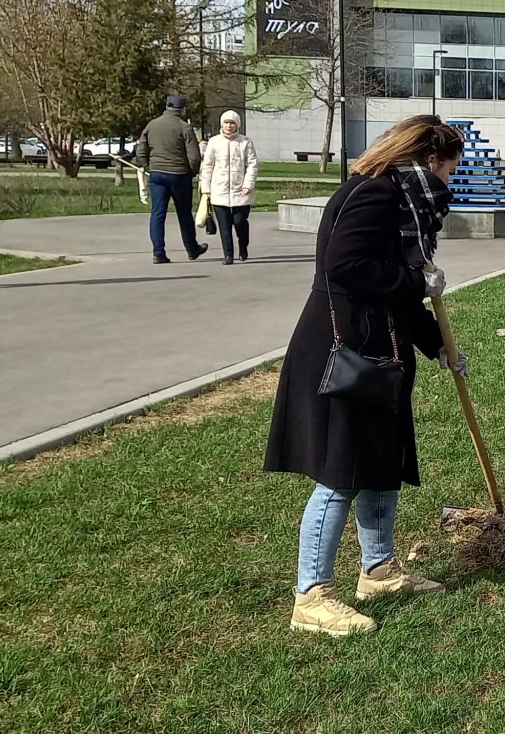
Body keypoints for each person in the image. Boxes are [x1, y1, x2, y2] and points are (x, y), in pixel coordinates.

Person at [265, 114, 466, 636]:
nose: (451, 179)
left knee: (382, 461)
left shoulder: (404, 201)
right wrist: (415, 281)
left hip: (382, 349)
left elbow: (397, 293)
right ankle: (311, 594)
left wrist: (436, 345)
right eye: (449, 168)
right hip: (345, 351)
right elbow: (344, 265)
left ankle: (377, 570)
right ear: (428, 159)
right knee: (342, 472)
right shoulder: (375, 196)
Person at [135, 93, 209, 263]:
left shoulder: (152, 125)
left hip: (156, 174)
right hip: (179, 175)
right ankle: (192, 249)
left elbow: (141, 151)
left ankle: (158, 253)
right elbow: (195, 157)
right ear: (182, 109)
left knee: (158, 214)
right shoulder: (184, 127)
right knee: (184, 214)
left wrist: (148, 167)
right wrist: (192, 172)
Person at [199, 110, 260, 265]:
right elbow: (207, 166)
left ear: (237, 125)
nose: (229, 126)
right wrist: (206, 187)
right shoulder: (214, 142)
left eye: (232, 123)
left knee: (239, 222)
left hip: (241, 191)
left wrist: (248, 185)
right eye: (226, 122)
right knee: (224, 225)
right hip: (219, 191)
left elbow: (252, 165)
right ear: (222, 124)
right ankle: (228, 254)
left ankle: (243, 246)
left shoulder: (245, 142)